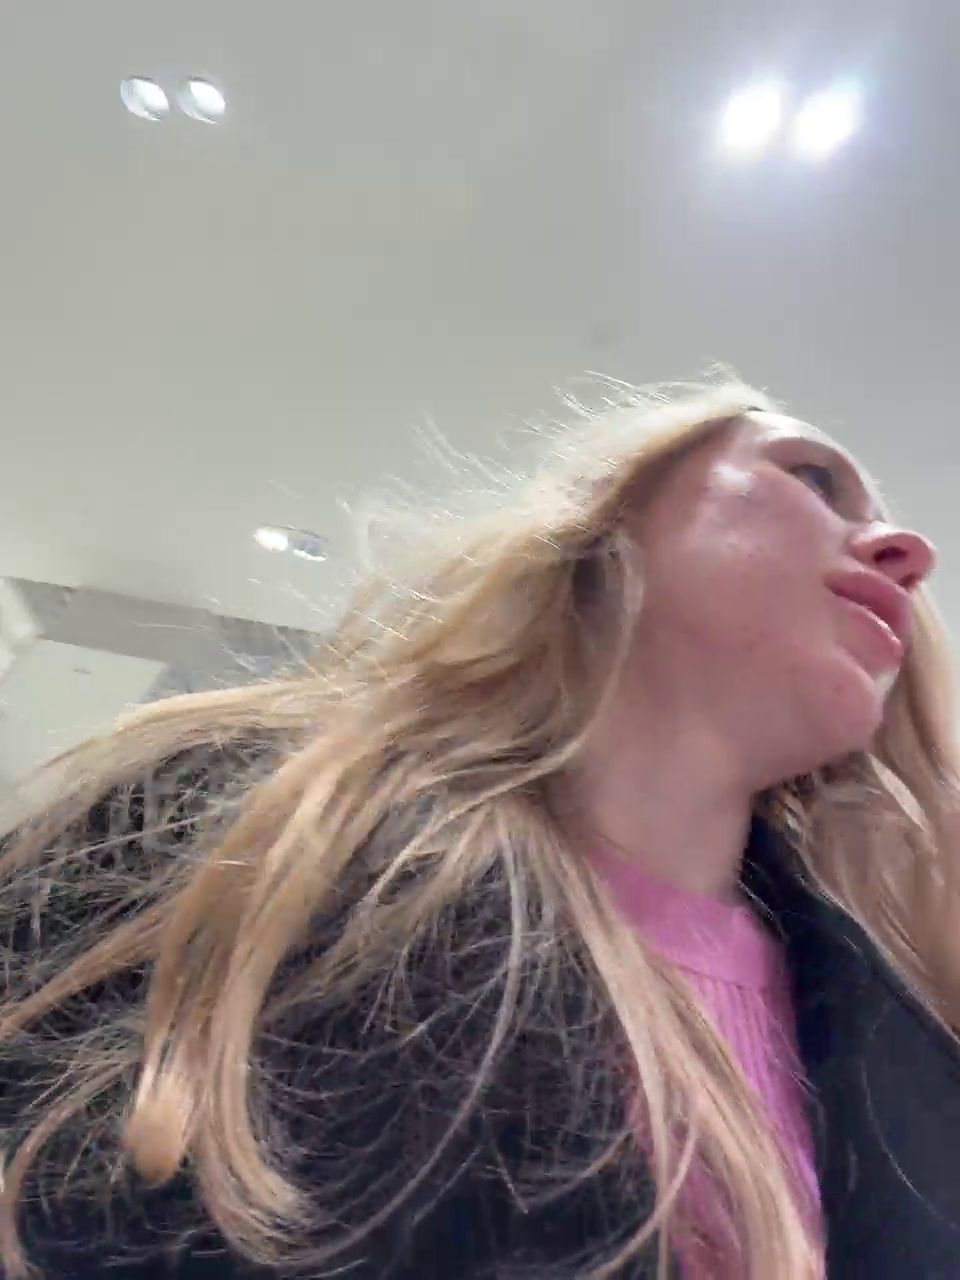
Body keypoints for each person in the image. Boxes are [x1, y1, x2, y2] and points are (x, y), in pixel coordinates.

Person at [2, 378, 959, 1280]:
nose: (909, 553)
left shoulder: (909, 1039)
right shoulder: (226, 824)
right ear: (604, 525)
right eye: (812, 480)